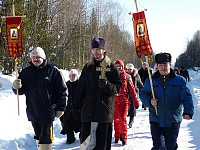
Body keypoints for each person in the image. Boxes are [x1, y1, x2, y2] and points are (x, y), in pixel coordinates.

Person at [12, 47, 67, 150]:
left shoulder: (53, 71)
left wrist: (61, 107)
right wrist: (15, 87)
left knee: (46, 139)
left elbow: (62, 90)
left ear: (43, 58)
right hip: (33, 111)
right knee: (38, 136)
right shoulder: (26, 72)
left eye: (38, 57)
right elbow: (20, 90)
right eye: (33, 57)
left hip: (48, 111)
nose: (35, 59)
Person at [73, 38, 122, 150]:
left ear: (104, 50)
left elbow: (118, 87)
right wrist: (75, 106)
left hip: (103, 114)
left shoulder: (111, 67)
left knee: (102, 146)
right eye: (94, 49)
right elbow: (80, 89)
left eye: (98, 49)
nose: (96, 52)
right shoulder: (88, 67)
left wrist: (107, 85)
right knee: (86, 145)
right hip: (88, 113)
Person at [140, 52, 194, 150]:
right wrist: (149, 101)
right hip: (156, 120)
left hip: (173, 120)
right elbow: (143, 93)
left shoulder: (179, 80)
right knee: (158, 146)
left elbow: (186, 97)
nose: (163, 67)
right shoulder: (151, 80)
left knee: (171, 146)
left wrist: (188, 111)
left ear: (170, 64)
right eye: (160, 65)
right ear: (157, 66)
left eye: (165, 64)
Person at [114, 60, 139, 145]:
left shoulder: (127, 77)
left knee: (122, 119)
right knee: (116, 120)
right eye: (117, 66)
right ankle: (117, 135)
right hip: (114, 101)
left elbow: (132, 90)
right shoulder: (111, 75)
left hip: (124, 101)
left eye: (120, 66)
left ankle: (124, 137)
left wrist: (136, 102)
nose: (119, 68)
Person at [60, 69, 81, 144]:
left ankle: (82, 136)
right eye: (70, 75)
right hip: (68, 108)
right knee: (68, 124)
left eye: (74, 75)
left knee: (80, 123)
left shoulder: (80, 85)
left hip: (78, 108)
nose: (72, 77)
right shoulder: (66, 84)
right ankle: (70, 138)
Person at [126, 63, 143, 128]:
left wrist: (142, 89)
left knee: (133, 107)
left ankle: (131, 120)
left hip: (134, 93)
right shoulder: (125, 75)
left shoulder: (136, 75)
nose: (129, 71)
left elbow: (140, 84)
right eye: (128, 69)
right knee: (127, 106)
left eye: (130, 69)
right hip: (126, 93)